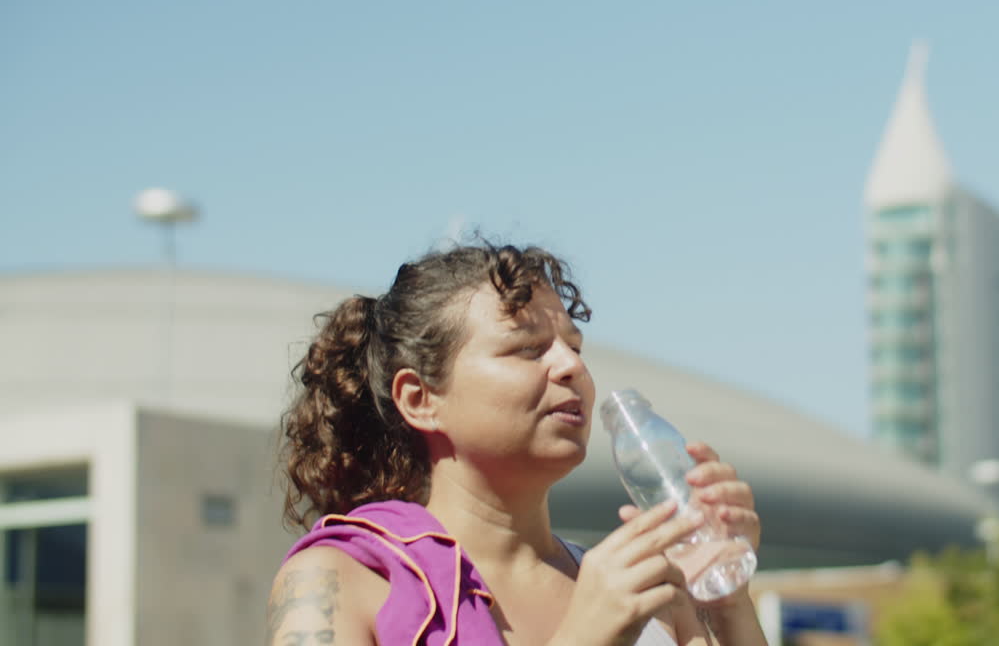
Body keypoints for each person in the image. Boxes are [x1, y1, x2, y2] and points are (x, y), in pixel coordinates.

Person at [268, 243, 767, 646]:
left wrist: (728, 604)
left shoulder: (648, 591)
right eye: (527, 349)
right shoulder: (339, 581)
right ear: (420, 399)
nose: (571, 366)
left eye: (573, 347)